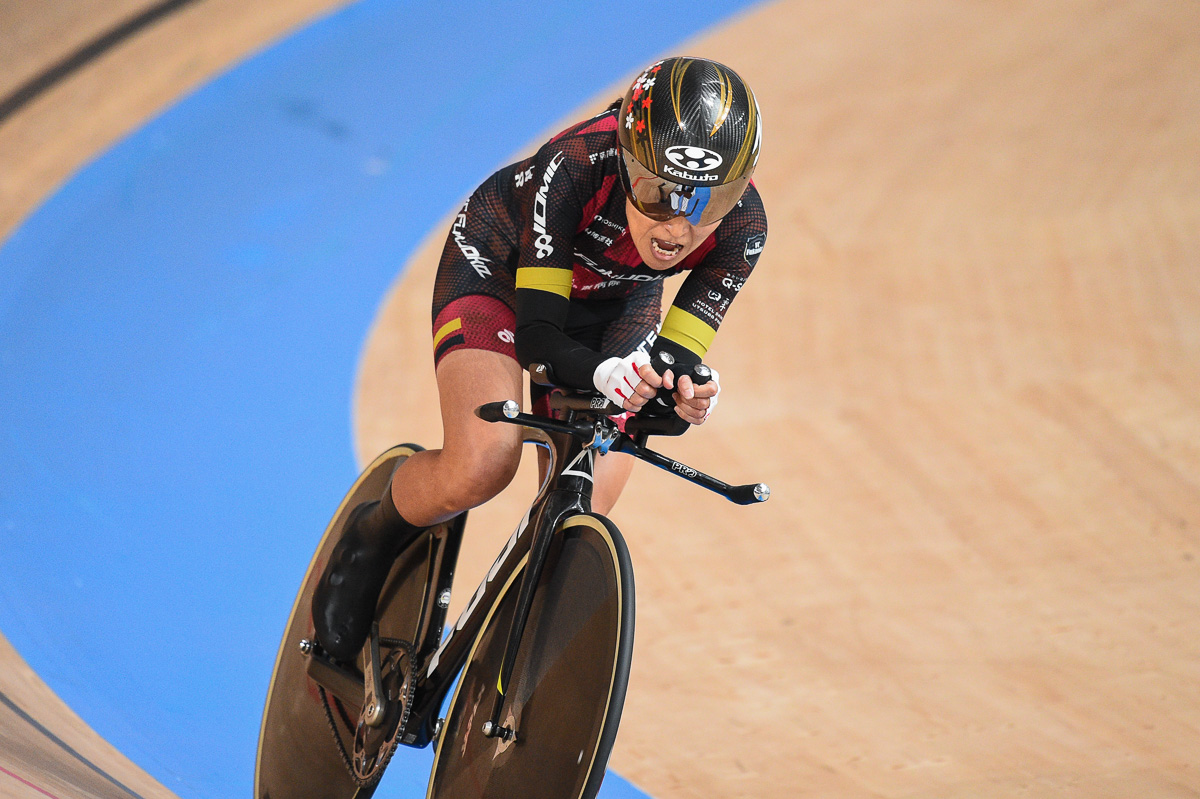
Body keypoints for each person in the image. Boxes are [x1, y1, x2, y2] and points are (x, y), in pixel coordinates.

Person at [313, 56, 768, 662]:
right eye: (659, 193)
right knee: (483, 464)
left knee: (581, 515)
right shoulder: (574, 165)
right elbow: (539, 342)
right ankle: (371, 537)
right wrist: (606, 373)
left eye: (708, 202)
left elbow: (671, 360)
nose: (678, 227)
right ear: (630, 163)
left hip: (616, 301)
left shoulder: (743, 229)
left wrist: (683, 394)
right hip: (502, 274)